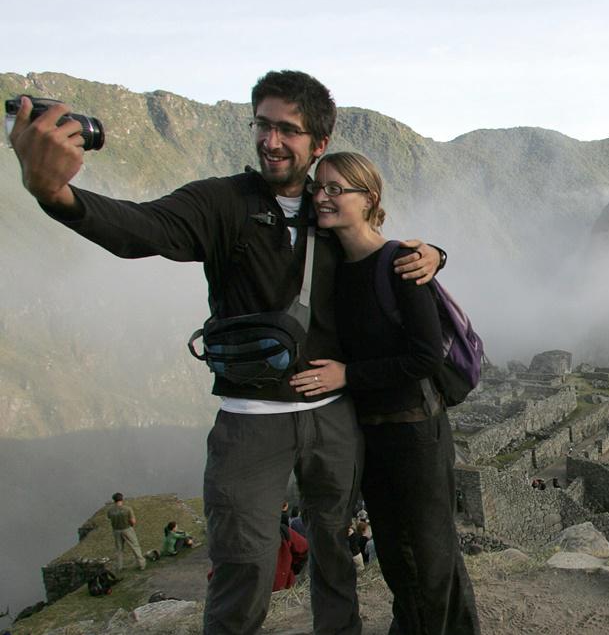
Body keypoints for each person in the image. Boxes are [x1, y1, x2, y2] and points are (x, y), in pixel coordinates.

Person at [7, 70, 445, 635]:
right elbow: (142, 229)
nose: (271, 141)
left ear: (319, 142)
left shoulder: (330, 210)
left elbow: (379, 250)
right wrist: (57, 194)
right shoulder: (222, 202)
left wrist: (434, 254)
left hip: (334, 419)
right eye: (262, 125)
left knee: (334, 551)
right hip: (250, 422)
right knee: (244, 563)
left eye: (288, 130)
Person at [290, 152, 480, 635]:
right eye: (318, 188)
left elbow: (425, 357)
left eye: (336, 189)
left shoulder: (399, 263)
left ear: (368, 199)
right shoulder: (332, 264)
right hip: (371, 435)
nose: (322, 197)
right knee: (407, 555)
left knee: (424, 557)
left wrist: (347, 376)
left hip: (414, 432)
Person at [106, 492, 146, 572]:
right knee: (135, 546)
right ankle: (141, 564)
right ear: (122, 499)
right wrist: (131, 525)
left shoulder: (110, 510)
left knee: (119, 549)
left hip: (116, 531)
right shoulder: (127, 509)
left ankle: (119, 567)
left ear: (114, 500)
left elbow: (109, 518)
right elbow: (133, 521)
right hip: (127, 529)